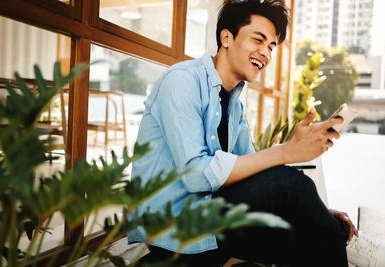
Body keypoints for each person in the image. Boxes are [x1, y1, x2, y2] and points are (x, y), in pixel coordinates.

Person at [127, 0, 382, 266]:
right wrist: (286, 151)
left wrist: (317, 212)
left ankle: (340, 236)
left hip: (211, 224)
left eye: (271, 47)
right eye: (258, 40)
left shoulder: (234, 103)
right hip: (175, 230)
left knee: (306, 232)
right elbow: (197, 175)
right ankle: (347, 242)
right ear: (226, 37)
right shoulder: (182, 81)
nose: (266, 53)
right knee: (292, 185)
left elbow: (255, 178)